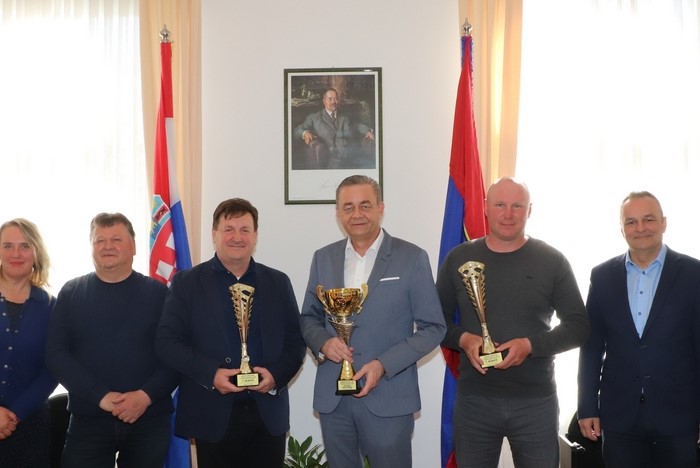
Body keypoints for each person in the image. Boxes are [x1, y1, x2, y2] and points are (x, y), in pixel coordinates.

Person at [436, 176, 590, 468]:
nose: (508, 214)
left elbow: (578, 326)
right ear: (485, 207)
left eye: (517, 206)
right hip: (475, 402)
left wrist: (530, 346)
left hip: (536, 402)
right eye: (500, 205)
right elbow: (435, 323)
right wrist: (464, 340)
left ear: (529, 210)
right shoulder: (459, 259)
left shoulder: (552, 260)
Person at [299, 175, 446, 468]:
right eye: (348, 207)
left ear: (381, 208)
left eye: (365, 205)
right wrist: (324, 343)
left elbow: (433, 328)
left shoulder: (412, 257)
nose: (357, 214)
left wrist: (383, 364)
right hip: (334, 400)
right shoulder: (323, 258)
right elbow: (309, 318)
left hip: (389, 396)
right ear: (338, 213)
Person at [156, 198, 305, 468]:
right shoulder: (187, 283)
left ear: (255, 235)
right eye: (229, 229)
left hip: (266, 415)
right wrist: (211, 374)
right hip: (211, 413)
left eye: (245, 230)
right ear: (214, 234)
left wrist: (275, 376)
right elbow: (167, 343)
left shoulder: (278, 282)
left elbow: (295, 343)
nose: (237, 237)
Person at [577, 191, 700, 468]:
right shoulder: (602, 276)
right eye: (631, 222)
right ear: (621, 229)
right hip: (620, 417)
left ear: (664, 222)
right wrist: (587, 406)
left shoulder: (694, 274)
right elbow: (592, 347)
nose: (640, 228)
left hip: (679, 414)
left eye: (648, 219)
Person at [45, 213, 177, 468]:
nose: (107, 246)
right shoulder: (71, 293)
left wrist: (145, 396)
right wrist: (100, 396)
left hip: (148, 419)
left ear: (133, 246)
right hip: (88, 419)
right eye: (99, 240)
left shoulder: (160, 294)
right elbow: (56, 354)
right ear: (91, 247)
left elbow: (175, 354)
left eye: (116, 239)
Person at [0, 219, 57, 467]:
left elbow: (52, 368)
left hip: (30, 424)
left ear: (36, 252)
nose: (16, 253)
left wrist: (14, 414)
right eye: (8, 246)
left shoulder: (51, 306)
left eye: (24, 246)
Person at [293, 87, 375, 169]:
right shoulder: (314, 118)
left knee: (369, 165)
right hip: (332, 160)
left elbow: (356, 125)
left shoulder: (344, 116)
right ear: (324, 101)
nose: (333, 102)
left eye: (335, 99)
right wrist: (305, 133)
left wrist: (368, 131)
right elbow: (297, 130)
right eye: (330, 99)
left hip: (351, 157)